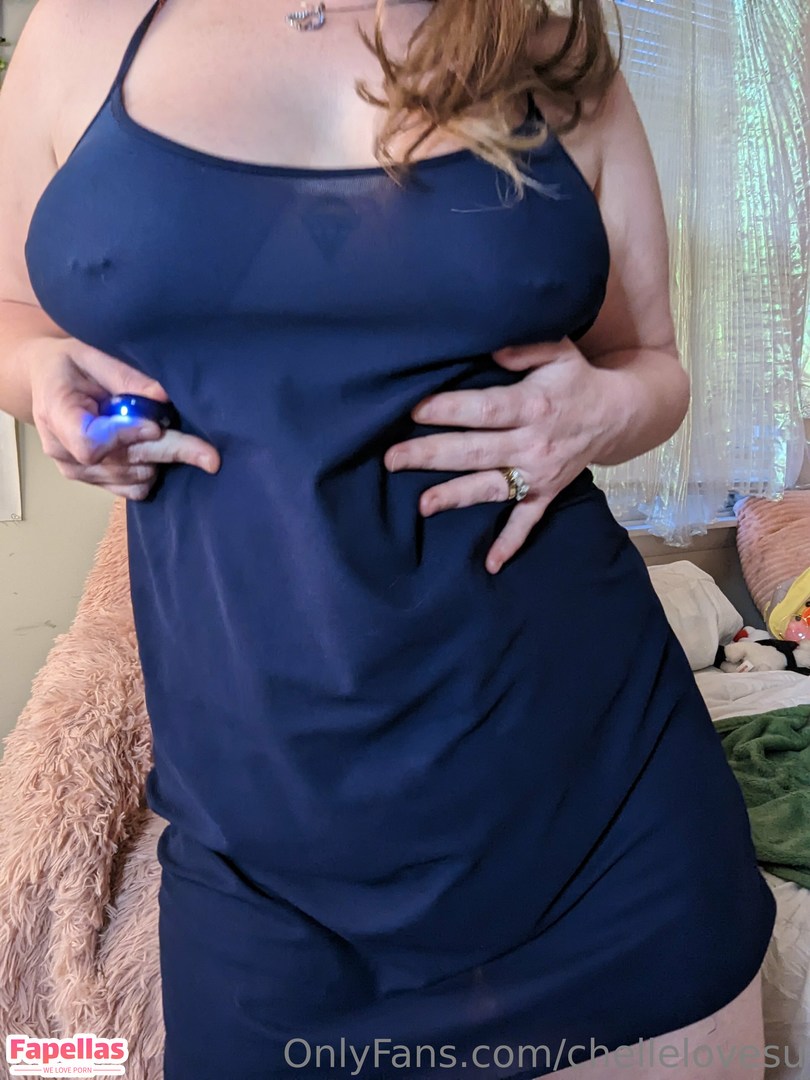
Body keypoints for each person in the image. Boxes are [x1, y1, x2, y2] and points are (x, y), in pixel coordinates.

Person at [0, 0, 777, 1077]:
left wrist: (599, 414)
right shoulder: (81, 32)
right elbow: (14, 315)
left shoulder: (550, 54)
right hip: (261, 846)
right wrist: (42, 380)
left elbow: (650, 363)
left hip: (600, 800)